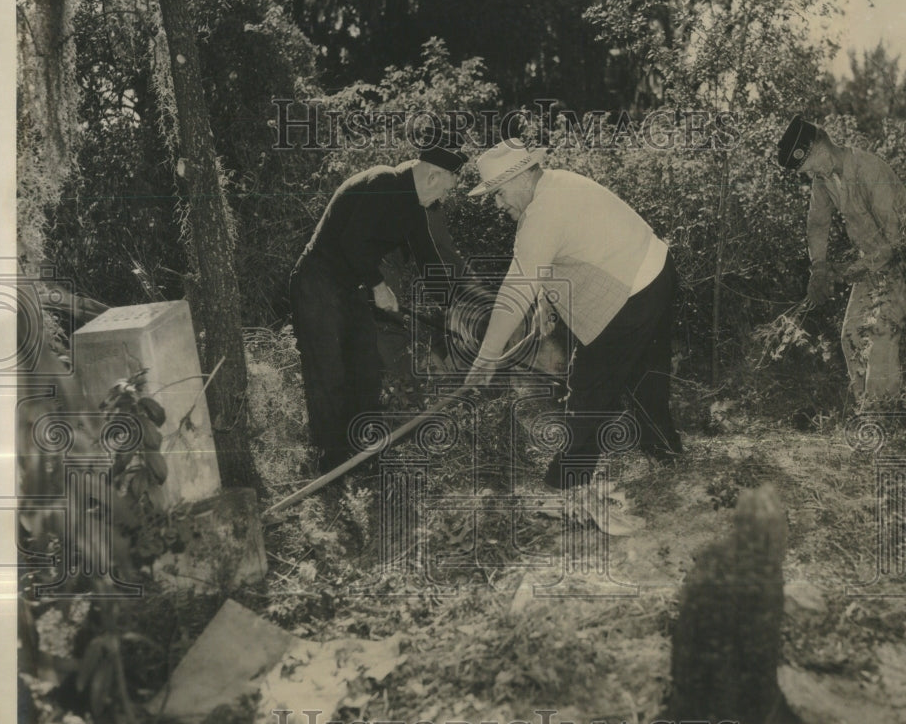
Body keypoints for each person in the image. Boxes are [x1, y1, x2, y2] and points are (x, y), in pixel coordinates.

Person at [464, 138, 682, 498]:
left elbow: (514, 288)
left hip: (634, 289)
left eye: (499, 193)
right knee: (645, 377)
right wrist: (544, 305)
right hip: (656, 270)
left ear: (520, 177)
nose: (498, 204)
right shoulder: (554, 185)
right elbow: (557, 255)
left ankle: (564, 486)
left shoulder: (543, 213)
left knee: (590, 387)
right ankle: (666, 455)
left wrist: (486, 356)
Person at [290, 136, 467, 473]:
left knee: (365, 369)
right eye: (446, 188)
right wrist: (379, 286)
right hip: (317, 282)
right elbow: (351, 241)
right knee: (328, 373)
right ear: (432, 177)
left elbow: (428, 257)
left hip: (350, 285)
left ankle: (364, 457)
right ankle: (333, 466)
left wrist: (454, 310)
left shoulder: (412, 208)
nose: (443, 198)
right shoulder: (383, 182)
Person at [777, 115, 906, 400]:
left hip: (905, 262)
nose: (810, 174)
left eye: (809, 165)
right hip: (872, 264)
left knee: (879, 332)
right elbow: (817, 223)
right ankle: (865, 411)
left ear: (821, 146)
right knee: (851, 334)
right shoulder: (823, 178)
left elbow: (897, 239)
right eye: (806, 171)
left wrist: (855, 269)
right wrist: (819, 267)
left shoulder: (869, 169)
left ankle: (883, 416)